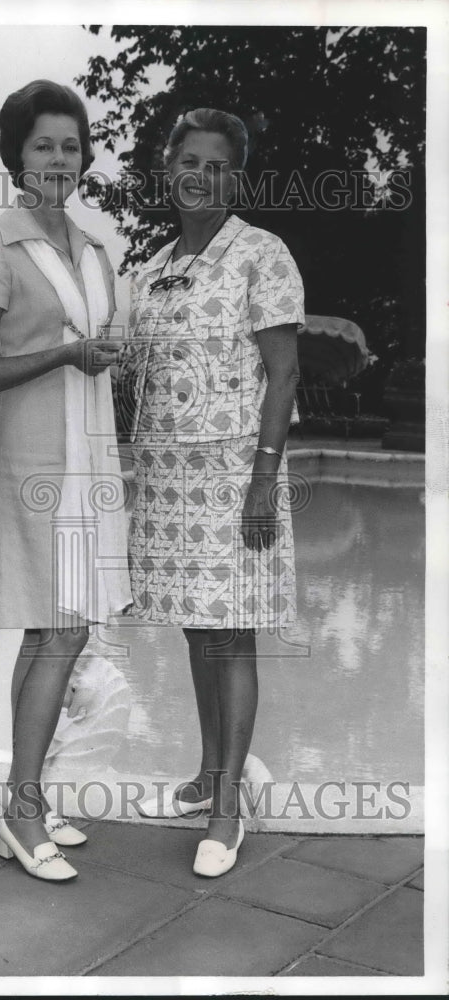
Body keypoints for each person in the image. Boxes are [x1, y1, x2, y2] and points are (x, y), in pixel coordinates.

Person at [0, 80, 131, 882]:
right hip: (36, 470)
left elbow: (105, 345)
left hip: (92, 464)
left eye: (70, 145)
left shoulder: (95, 250)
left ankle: (26, 798)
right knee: (56, 633)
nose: (59, 159)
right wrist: (63, 353)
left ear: (84, 156)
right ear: (15, 157)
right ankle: (22, 812)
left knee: (62, 634)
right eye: (43, 146)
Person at [127, 109, 303, 877]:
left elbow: (283, 375)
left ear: (236, 178)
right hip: (169, 484)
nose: (201, 175)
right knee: (198, 631)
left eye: (218, 165)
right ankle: (207, 774)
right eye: (189, 160)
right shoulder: (154, 266)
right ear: (169, 167)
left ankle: (229, 810)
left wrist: (263, 477)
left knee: (231, 635)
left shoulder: (262, 254)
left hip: (236, 477)